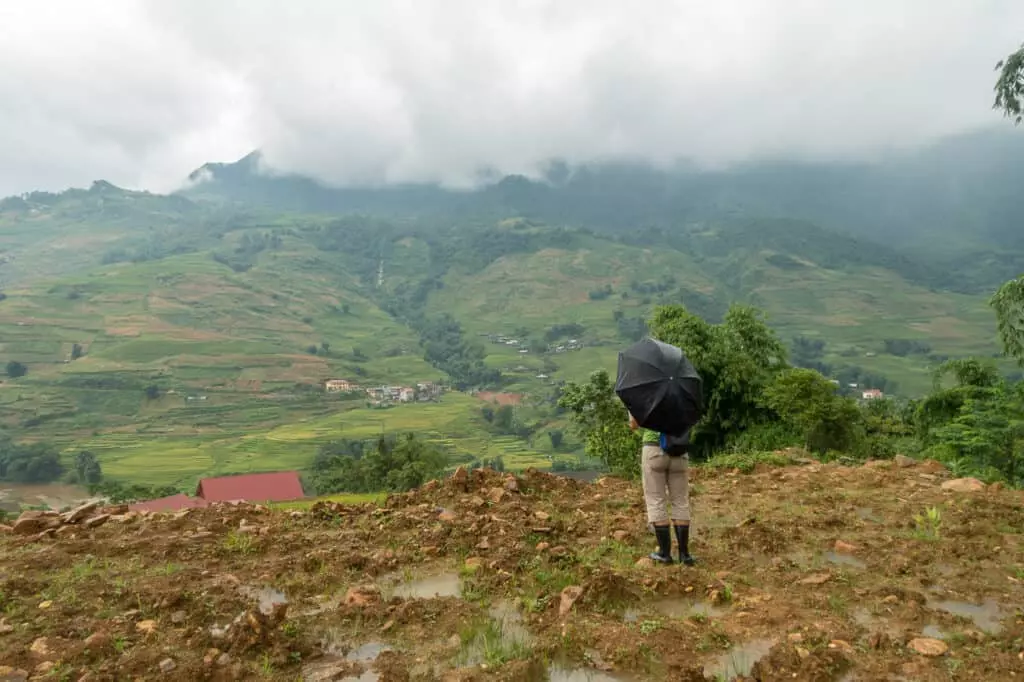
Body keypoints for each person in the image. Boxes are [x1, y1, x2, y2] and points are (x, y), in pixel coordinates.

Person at [629, 412, 695, 566]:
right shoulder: (681, 392)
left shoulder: (643, 392)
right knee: (680, 500)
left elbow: (634, 424)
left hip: (654, 449)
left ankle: (665, 554)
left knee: (656, 499)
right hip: (679, 449)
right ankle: (684, 555)